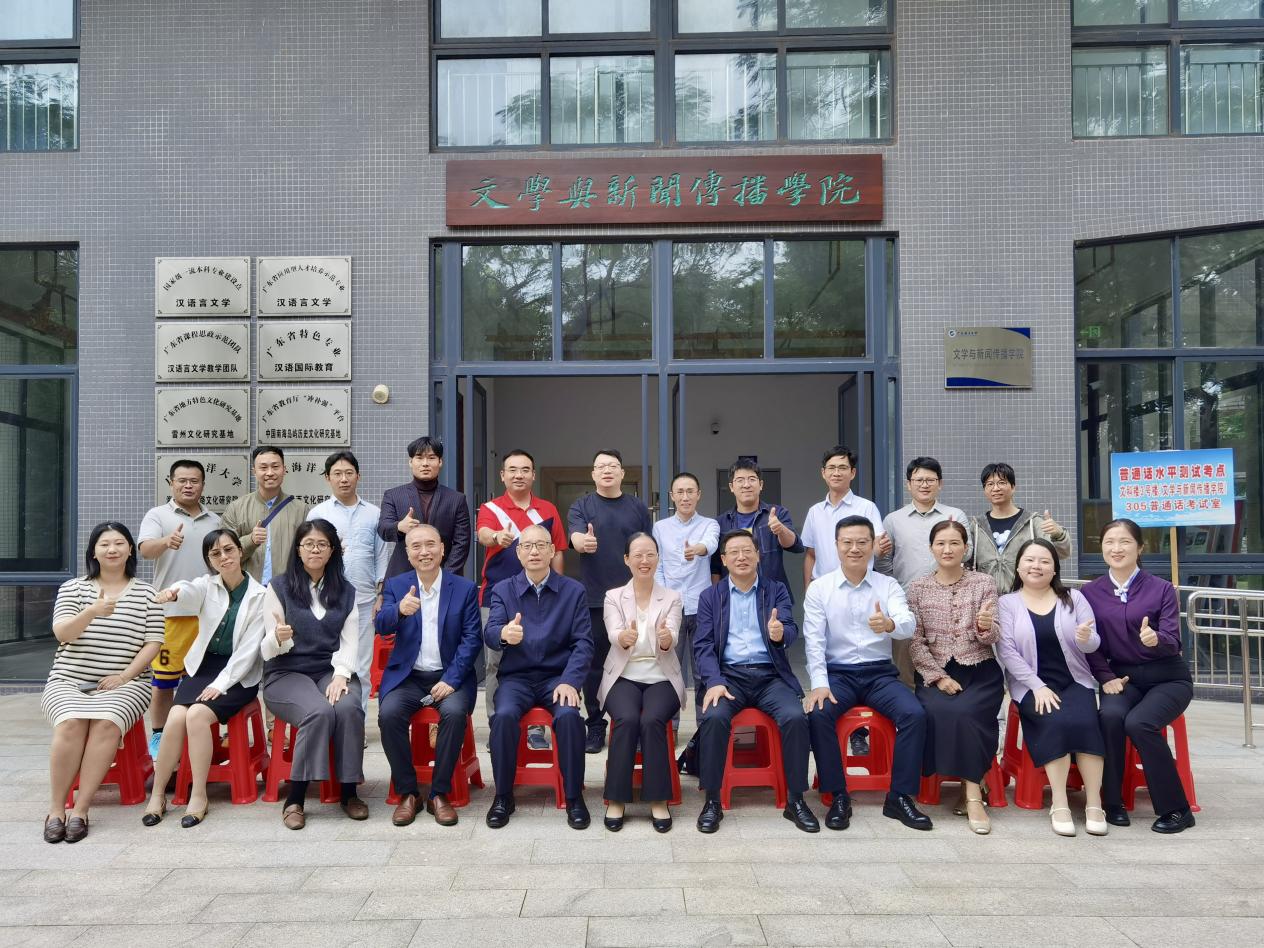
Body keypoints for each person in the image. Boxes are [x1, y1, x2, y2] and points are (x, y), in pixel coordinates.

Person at [804, 516, 933, 833]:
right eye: (847, 542)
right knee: (819, 714)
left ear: (873, 545)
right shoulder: (820, 588)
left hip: (879, 675)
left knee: (914, 714)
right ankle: (837, 795)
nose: (855, 548)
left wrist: (889, 624)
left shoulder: (887, 585)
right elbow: (814, 640)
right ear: (836, 546)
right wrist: (819, 684)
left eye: (862, 542)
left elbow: (908, 624)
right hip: (838, 674)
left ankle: (899, 797)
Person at [42, 523, 164, 844]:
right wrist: (92, 612)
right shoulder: (73, 589)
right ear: (93, 552)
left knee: (107, 722)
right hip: (68, 679)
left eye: (119, 543)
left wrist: (124, 677)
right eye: (104, 544)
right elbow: (62, 633)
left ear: (130, 549)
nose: (112, 549)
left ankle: (80, 810)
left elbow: (153, 643)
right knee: (71, 722)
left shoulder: (147, 593)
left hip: (127, 682)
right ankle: (56, 810)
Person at [694, 531, 818, 834]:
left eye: (747, 550)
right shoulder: (711, 596)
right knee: (713, 717)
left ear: (758, 555)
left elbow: (790, 628)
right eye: (734, 552)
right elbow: (703, 646)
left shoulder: (775, 590)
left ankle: (796, 799)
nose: (741, 557)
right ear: (724, 560)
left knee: (795, 717)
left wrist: (780, 634)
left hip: (769, 675)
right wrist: (714, 681)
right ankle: (712, 800)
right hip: (729, 677)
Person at [144, 529, 268, 828]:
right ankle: (158, 794)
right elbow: (187, 589)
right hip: (203, 667)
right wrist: (174, 593)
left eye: (228, 549)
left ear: (240, 551)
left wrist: (220, 684)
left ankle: (199, 794)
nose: (223, 557)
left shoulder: (260, 596)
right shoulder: (206, 585)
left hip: (238, 675)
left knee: (197, 716)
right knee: (175, 718)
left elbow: (248, 652)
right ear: (210, 561)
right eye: (215, 554)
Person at [1081, 518, 1195, 834]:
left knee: (1139, 723)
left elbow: (1174, 640)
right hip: (1122, 678)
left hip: (1168, 678)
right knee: (1110, 717)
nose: (1116, 548)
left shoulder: (1161, 589)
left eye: (1125, 542)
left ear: (1140, 548)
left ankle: (1178, 809)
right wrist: (1105, 676)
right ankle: (1112, 802)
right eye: (1109, 542)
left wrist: (1156, 639)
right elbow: (1091, 645)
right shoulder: (1090, 593)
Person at [484, 524, 594, 830]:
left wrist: (570, 681)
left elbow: (583, 643)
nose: (534, 551)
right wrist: (504, 633)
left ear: (552, 551)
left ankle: (574, 796)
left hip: (557, 678)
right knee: (503, 716)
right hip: (516, 678)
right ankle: (503, 796)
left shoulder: (573, 590)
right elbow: (490, 632)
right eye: (527, 546)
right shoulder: (503, 590)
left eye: (541, 545)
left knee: (569, 716)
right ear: (518, 553)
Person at [996, 538, 1108, 837]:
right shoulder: (1007, 604)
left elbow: (1093, 643)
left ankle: (1094, 803)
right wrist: (1037, 686)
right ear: (1018, 567)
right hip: (1030, 685)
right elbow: (1007, 652)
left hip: (1075, 680)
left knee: (1086, 722)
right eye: (1030, 560)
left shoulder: (1074, 598)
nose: (1037, 566)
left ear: (1055, 568)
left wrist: (1085, 638)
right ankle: (1059, 802)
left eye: (1044, 561)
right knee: (1055, 721)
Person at [261, 519, 367, 829]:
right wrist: (278, 637)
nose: (315, 550)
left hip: (330, 670)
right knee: (318, 711)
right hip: (285, 673)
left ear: (333, 550)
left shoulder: (346, 592)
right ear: (298, 549)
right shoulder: (278, 587)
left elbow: (351, 641)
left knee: (348, 707)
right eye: (308, 544)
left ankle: (348, 792)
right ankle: (295, 798)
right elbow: (267, 649)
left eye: (322, 544)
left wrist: (341, 675)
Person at [374, 525, 483, 827]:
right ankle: (409, 793)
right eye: (416, 546)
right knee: (389, 714)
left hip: (450, 677)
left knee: (454, 713)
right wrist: (399, 610)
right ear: (408, 554)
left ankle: (439, 793)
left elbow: (472, 639)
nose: (424, 552)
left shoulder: (463, 588)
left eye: (431, 545)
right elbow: (381, 626)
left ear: (442, 549)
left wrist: (451, 679)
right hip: (408, 678)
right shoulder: (397, 585)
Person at [906, 520, 1001, 834]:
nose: (947, 549)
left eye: (954, 543)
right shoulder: (918, 588)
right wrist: (937, 677)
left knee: (967, 713)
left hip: (980, 670)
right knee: (937, 710)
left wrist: (985, 627)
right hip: (935, 671)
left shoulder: (984, 583)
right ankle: (972, 783)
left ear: (966, 548)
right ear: (931, 548)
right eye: (941, 543)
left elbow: (993, 636)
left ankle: (972, 795)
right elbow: (915, 641)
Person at [476, 448, 567, 741]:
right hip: (497, 597)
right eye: (512, 470)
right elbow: (484, 534)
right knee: (495, 662)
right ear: (503, 475)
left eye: (525, 470)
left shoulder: (547, 509)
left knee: (539, 661)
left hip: (541, 596)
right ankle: (498, 727)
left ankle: (535, 731)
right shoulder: (491, 508)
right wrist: (497, 537)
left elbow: (557, 551)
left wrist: (558, 590)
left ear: (533, 475)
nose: (519, 475)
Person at [567, 449, 652, 754]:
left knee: (634, 661)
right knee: (594, 665)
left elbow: (646, 547)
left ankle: (634, 724)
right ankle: (595, 724)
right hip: (594, 599)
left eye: (612, 466)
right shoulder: (582, 506)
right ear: (593, 474)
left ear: (622, 473)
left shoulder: (637, 507)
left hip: (633, 598)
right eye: (601, 466)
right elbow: (575, 537)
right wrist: (583, 542)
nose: (606, 470)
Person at [599, 533, 684, 833]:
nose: (644, 560)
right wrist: (623, 637)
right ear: (627, 560)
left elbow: (673, 635)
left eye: (650, 554)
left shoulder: (672, 597)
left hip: (661, 677)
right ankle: (616, 799)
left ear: (658, 558)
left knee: (652, 720)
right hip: (624, 675)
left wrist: (666, 639)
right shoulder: (613, 596)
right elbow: (613, 631)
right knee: (626, 718)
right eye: (637, 555)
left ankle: (658, 799)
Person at [137, 459, 222, 757]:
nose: (188, 486)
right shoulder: (158, 515)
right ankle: (159, 736)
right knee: (163, 682)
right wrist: (166, 541)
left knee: (202, 679)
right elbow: (145, 550)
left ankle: (197, 736)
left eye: (194, 481)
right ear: (171, 483)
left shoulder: (215, 521)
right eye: (182, 480)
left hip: (206, 615)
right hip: (170, 615)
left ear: (203, 485)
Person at [308, 450, 391, 715]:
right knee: (329, 663)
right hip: (326, 600)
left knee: (362, 667)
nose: (343, 479)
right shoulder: (318, 514)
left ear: (358, 476)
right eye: (337, 474)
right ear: (327, 478)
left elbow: (381, 556)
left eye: (348, 473)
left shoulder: (374, 514)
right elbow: (308, 556)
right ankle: (329, 717)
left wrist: (380, 594)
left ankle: (357, 721)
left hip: (364, 600)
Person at [651, 472, 719, 700]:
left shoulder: (709, 524)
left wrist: (697, 549)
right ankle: (671, 720)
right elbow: (658, 566)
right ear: (672, 495)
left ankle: (705, 720)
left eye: (690, 491)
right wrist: (665, 599)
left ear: (699, 494)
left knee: (703, 670)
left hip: (702, 606)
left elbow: (711, 543)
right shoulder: (660, 528)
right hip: (671, 608)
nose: (685, 497)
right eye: (680, 492)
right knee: (670, 669)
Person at [967, 462, 1071, 593]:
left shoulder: (1033, 522)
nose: (996, 488)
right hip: (987, 599)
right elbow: (966, 562)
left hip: (1025, 598)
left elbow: (1062, 553)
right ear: (985, 490)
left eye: (1002, 483)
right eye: (990, 484)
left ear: (1013, 487)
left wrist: (1059, 535)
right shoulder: (976, 526)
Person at [378, 435, 471, 579]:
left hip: (443, 575)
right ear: (411, 462)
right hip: (402, 575)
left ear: (440, 462)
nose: (425, 463)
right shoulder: (394, 495)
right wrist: (399, 527)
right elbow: (383, 529)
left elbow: (462, 543)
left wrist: (445, 576)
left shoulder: (456, 499)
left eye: (431, 458)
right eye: (419, 458)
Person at [712, 458, 803, 601]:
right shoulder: (721, 523)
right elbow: (716, 566)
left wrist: (780, 529)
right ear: (731, 487)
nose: (746, 485)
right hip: (733, 597)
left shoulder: (778, 513)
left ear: (760, 485)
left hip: (772, 596)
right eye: (740, 480)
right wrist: (718, 599)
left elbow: (795, 546)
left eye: (752, 479)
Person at [221, 446, 310, 586]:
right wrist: (251, 540)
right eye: (263, 468)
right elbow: (223, 554)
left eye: (275, 467)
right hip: (246, 589)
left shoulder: (301, 510)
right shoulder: (236, 508)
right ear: (254, 472)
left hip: (288, 589)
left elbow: (309, 552)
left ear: (284, 470)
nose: (270, 473)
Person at [802, 445, 887, 585]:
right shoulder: (814, 512)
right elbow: (811, 555)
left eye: (842, 468)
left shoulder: (867, 507)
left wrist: (881, 549)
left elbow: (877, 546)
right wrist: (807, 588)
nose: (836, 473)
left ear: (852, 473)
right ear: (823, 473)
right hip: (823, 587)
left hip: (858, 585)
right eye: (831, 468)